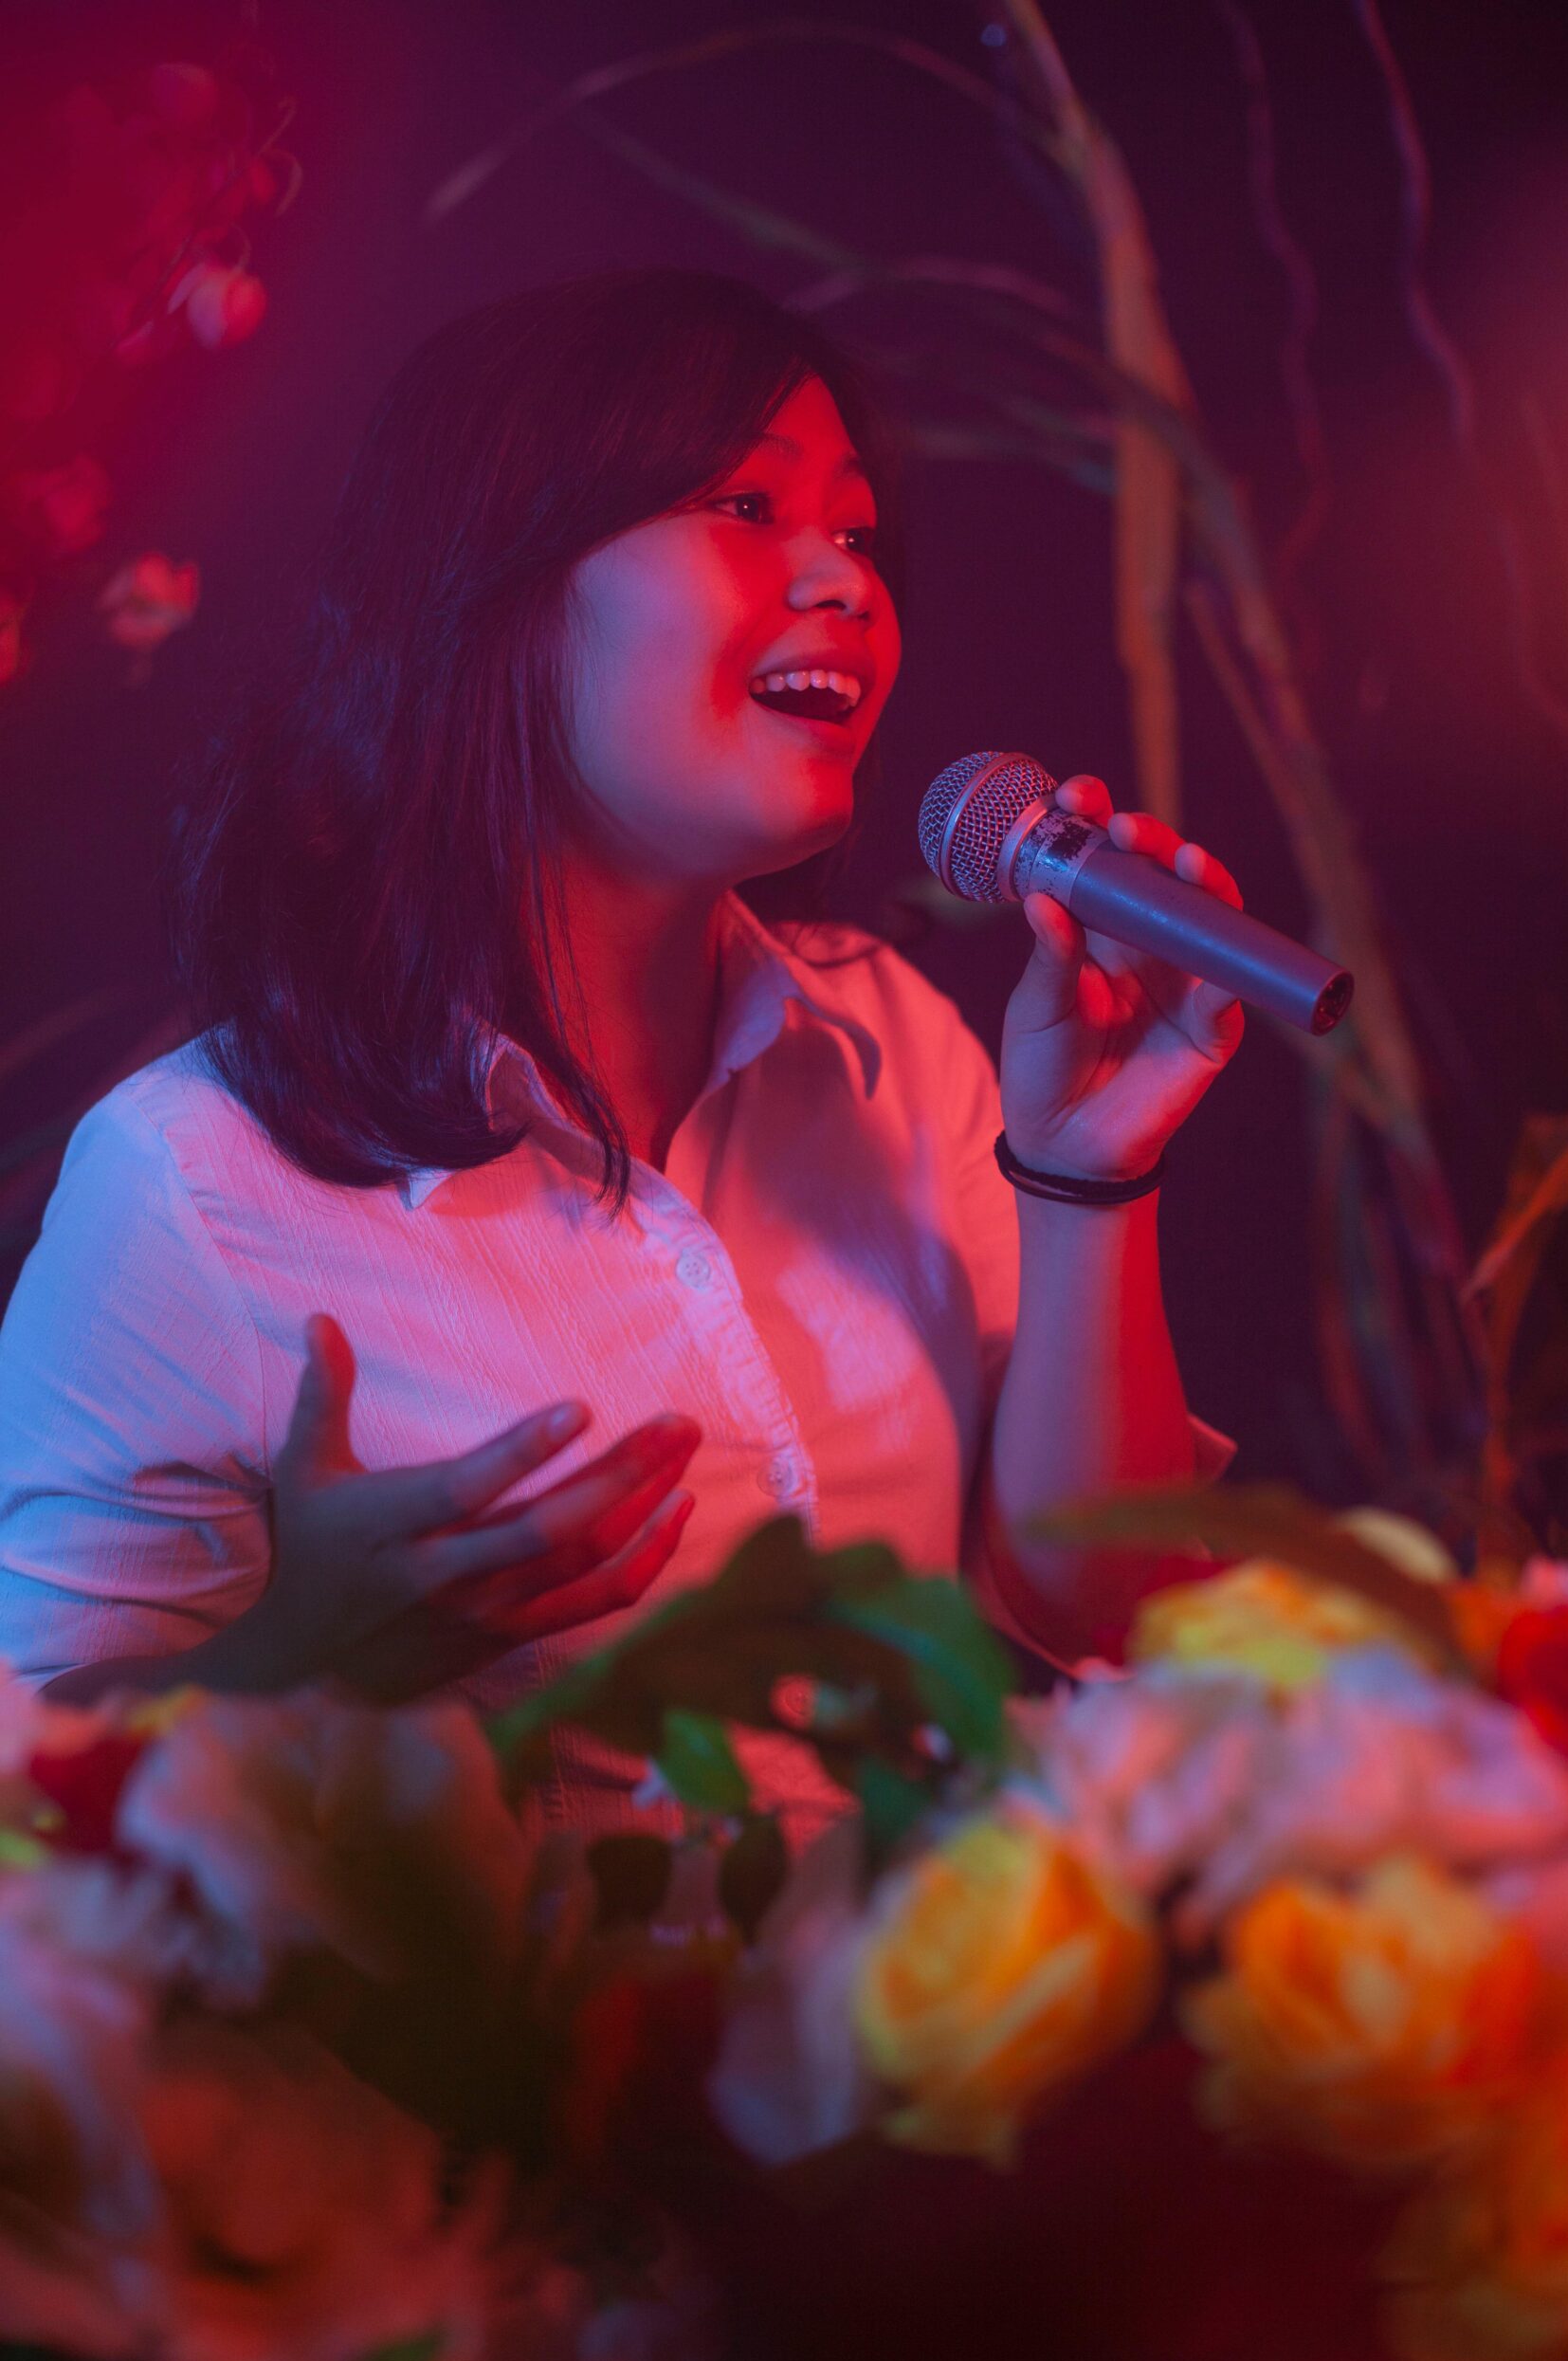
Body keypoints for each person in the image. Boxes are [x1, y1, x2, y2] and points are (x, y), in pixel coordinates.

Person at [0, 269, 1241, 1834]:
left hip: (906, 2065)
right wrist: (293, 1655)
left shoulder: (902, 1053)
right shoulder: (190, 1183)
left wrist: (1086, 1177)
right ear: (496, 585)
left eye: (856, 534)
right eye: (748, 506)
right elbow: (34, 1835)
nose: (847, 585)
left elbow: (1102, 1608)